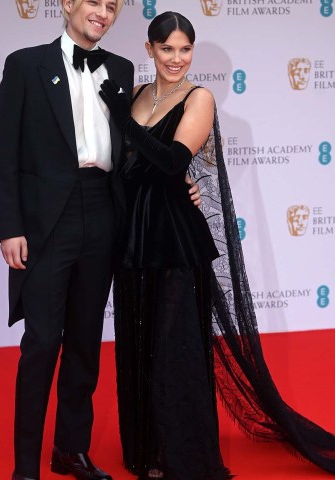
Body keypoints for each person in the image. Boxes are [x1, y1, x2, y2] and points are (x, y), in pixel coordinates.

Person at [99, 11, 335, 480]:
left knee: (176, 351)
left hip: (175, 239)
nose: (176, 58)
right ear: (149, 50)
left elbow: (171, 161)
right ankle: (148, 454)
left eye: (185, 49)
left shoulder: (199, 98)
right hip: (132, 239)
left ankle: (184, 456)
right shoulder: (141, 94)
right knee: (138, 345)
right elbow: (126, 169)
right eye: (166, 48)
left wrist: (124, 121)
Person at [0, 2, 199, 479]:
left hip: (105, 212)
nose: (102, 13)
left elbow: (140, 146)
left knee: (85, 340)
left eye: (111, 5)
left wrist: (181, 182)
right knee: (42, 341)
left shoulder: (123, 70)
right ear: (68, 4)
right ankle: (26, 466)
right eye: (93, 2)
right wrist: (9, 227)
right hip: (47, 221)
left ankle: (71, 449)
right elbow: (3, 153)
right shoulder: (25, 64)